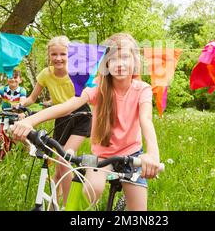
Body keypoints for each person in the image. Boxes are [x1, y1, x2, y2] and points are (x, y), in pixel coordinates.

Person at [13, 33, 160, 211]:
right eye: (113, 59)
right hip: (100, 157)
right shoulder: (98, 85)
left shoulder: (142, 89)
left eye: (125, 57)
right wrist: (30, 121)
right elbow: (68, 106)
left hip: (132, 155)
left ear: (135, 60)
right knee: (91, 192)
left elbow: (146, 120)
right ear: (105, 63)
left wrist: (152, 155)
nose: (119, 64)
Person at [17, 35, 92, 208]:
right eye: (54, 54)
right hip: (60, 118)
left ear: (70, 55)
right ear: (49, 55)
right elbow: (31, 98)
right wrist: (20, 105)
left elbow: (93, 91)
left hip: (81, 116)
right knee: (59, 167)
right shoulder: (45, 74)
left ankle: (67, 206)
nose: (58, 58)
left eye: (63, 54)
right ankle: (54, 202)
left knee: (65, 158)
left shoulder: (78, 71)